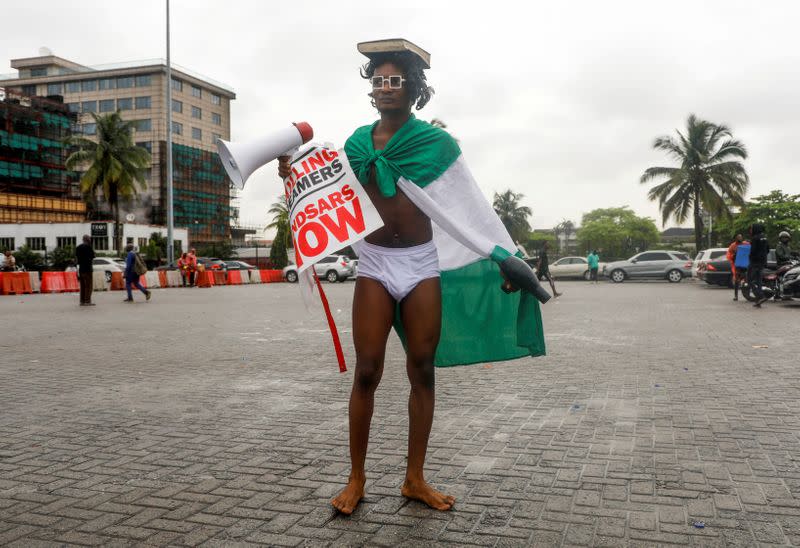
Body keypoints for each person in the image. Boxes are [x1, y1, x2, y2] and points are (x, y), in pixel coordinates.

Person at [278, 40, 545, 516]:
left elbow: (470, 207)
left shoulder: (436, 145)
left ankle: (414, 478)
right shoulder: (356, 144)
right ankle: (356, 478)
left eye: (393, 81)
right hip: (375, 264)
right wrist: (292, 172)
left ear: (412, 89)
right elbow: (327, 190)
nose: (384, 88)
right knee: (367, 370)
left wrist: (505, 256)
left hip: (421, 262)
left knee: (422, 368)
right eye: (377, 81)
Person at [748, 223, 769, 307]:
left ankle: (760, 296)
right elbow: (767, 250)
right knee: (758, 281)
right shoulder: (765, 238)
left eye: (751, 228)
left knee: (749, 280)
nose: (750, 230)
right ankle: (758, 301)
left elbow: (753, 251)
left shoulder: (755, 238)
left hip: (754, 263)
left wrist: (751, 257)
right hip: (762, 262)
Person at [75, 235, 95, 306]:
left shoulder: (78, 247)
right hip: (88, 269)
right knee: (88, 286)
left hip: (81, 269)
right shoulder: (89, 247)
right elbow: (92, 257)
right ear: (88, 240)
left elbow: (76, 259)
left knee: (82, 285)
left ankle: (82, 301)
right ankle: (87, 301)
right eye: (89, 238)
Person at [728, 234, 749, 301]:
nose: (740, 238)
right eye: (738, 237)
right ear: (736, 238)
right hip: (737, 265)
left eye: (741, 237)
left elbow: (750, 250)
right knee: (737, 281)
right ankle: (736, 296)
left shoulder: (745, 244)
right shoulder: (732, 245)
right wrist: (734, 254)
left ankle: (747, 295)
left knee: (747, 280)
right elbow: (729, 254)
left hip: (745, 264)